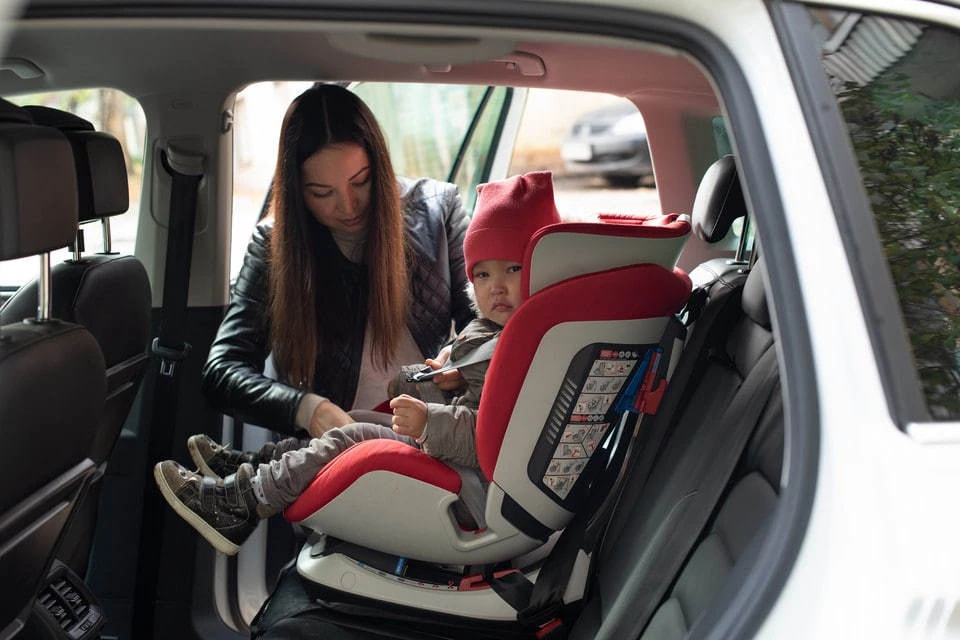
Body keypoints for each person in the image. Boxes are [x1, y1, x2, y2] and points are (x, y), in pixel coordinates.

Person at [153, 171, 563, 555]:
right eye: (483, 275)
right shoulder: (495, 333)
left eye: (513, 269)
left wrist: (428, 421)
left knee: (355, 436)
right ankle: (261, 466)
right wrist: (431, 377)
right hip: (460, 461)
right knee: (355, 421)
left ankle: (245, 502)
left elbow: (493, 439)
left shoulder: (526, 350)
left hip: (476, 490)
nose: (497, 288)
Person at [200, 83, 474, 443]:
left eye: (361, 181)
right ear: (297, 191)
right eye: (322, 193)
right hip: (334, 444)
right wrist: (308, 410)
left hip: (428, 432)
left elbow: (483, 322)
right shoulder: (274, 244)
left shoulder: (438, 210)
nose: (347, 206)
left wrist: (462, 357)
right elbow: (222, 371)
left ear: (379, 165)